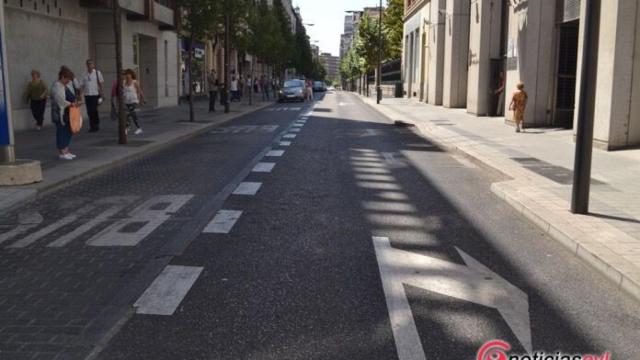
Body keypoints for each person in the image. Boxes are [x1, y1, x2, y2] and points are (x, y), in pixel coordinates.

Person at [50, 66, 79, 160]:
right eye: (67, 79)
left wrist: (74, 103)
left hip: (68, 113)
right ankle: (62, 152)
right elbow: (60, 100)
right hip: (60, 114)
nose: (68, 81)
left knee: (68, 131)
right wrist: (71, 104)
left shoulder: (65, 86)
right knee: (62, 131)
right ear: (62, 77)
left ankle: (66, 150)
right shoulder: (57, 86)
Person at [81, 59, 104, 132]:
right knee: (89, 111)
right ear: (86, 65)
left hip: (95, 94)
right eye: (88, 64)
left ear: (93, 65)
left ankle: (96, 124)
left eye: (91, 64)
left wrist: (102, 93)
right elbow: (82, 85)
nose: (89, 65)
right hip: (87, 95)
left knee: (94, 110)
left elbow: (101, 83)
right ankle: (92, 126)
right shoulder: (84, 74)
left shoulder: (97, 73)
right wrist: (79, 95)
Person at [123, 69, 144, 135]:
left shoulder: (135, 82)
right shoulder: (124, 82)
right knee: (132, 114)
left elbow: (139, 91)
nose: (127, 76)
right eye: (126, 74)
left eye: (128, 74)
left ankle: (127, 128)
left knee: (128, 114)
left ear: (131, 75)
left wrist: (143, 99)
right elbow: (123, 91)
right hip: (127, 101)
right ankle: (136, 128)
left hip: (134, 101)